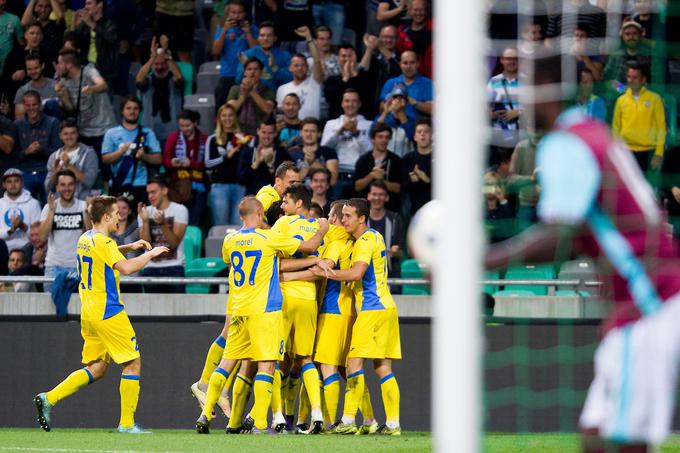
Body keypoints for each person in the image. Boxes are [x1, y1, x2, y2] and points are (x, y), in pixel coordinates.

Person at [485, 51, 680, 453]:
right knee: (594, 433)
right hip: (640, 306)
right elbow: (574, 240)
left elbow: (560, 235)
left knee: (624, 442)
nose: (523, 99)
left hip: (649, 304)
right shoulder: (593, 134)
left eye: (529, 87)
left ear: (549, 90)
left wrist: (475, 261)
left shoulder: (567, 143)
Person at [34, 195, 168, 433]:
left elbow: (105, 253)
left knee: (97, 367)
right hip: (109, 312)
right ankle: (127, 424)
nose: (119, 216)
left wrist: (130, 246)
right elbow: (126, 268)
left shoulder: (85, 238)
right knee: (132, 363)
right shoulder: (104, 243)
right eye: (116, 213)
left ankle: (49, 398)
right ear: (106, 217)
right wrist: (151, 254)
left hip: (89, 312)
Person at [195, 196, 328, 434]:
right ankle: (258, 420)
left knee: (227, 363)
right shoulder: (269, 238)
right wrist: (322, 230)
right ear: (258, 212)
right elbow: (308, 247)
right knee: (267, 367)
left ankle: (205, 416)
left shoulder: (230, 240)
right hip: (264, 311)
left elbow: (230, 260)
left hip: (238, 310)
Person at [310, 198, 402, 435]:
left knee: (353, 364)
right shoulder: (376, 236)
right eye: (343, 215)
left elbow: (356, 272)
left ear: (362, 218)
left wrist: (329, 273)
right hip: (387, 308)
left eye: (348, 216)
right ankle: (392, 424)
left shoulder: (362, 242)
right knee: (382, 368)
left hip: (371, 310)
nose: (343, 220)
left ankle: (348, 420)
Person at [270, 184, 328, 433]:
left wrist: (291, 276)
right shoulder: (317, 229)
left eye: (285, 202)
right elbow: (320, 270)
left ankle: (278, 416)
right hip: (308, 300)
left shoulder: (282, 224)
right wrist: (312, 265)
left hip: (283, 300)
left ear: (299, 204)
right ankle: (316, 414)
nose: (281, 207)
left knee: (273, 360)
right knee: (306, 359)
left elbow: (275, 265)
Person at [54, 49, 116, 160]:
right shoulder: (64, 82)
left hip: (104, 130)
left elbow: (103, 85)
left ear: (69, 65)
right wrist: (62, 96)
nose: (57, 67)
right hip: (84, 133)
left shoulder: (89, 71)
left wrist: (92, 88)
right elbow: (71, 110)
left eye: (59, 63)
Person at [102, 96, 162, 203]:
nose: (132, 111)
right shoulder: (111, 133)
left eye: (135, 108)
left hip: (140, 184)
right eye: (128, 108)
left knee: (141, 219)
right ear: (122, 111)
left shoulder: (148, 133)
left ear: (140, 111)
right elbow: (105, 159)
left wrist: (144, 156)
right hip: (117, 184)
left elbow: (158, 159)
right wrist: (120, 152)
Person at [38, 169, 89, 294]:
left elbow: (92, 235)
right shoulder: (49, 207)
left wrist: (87, 213)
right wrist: (52, 211)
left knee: (78, 311)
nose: (67, 188)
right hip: (53, 266)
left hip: (78, 266)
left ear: (75, 186)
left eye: (70, 184)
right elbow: (42, 237)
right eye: (63, 185)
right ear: (57, 187)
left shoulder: (83, 206)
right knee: (50, 311)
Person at [137, 177, 188, 294]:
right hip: (150, 268)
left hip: (174, 267)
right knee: (152, 311)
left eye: (153, 192)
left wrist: (163, 224)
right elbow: (146, 246)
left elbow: (174, 243)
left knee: (177, 311)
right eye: (148, 193)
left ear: (165, 191)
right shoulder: (144, 212)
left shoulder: (180, 210)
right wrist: (145, 221)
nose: (150, 196)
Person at [612, 63, 665, 173]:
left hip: (648, 152)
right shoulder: (620, 100)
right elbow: (615, 128)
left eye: (635, 77)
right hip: (626, 152)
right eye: (629, 77)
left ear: (643, 79)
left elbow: (661, 127)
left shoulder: (655, 99)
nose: (631, 80)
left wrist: (659, 153)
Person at [322, 89, 373, 199]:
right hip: (337, 175)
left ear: (359, 104)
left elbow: (371, 152)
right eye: (347, 101)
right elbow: (324, 149)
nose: (350, 104)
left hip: (360, 176)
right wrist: (340, 131)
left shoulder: (368, 125)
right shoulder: (331, 124)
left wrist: (356, 133)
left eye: (354, 101)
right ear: (342, 103)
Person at [14, 90, 61, 204]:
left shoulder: (53, 122)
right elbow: (13, 157)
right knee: (27, 207)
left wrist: (41, 150)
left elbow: (58, 153)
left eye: (34, 104)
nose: (31, 108)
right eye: (28, 105)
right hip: (25, 172)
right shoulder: (17, 125)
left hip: (47, 171)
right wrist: (27, 152)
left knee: (49, 208)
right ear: (24, 106)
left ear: (40, 104)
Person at [162, 110, 208, 226]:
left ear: (195, 123)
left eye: (187, 125)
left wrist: (191, 164)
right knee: (178, 223)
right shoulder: (173, 137)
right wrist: (173, 162)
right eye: (181, 126)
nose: (184, 129)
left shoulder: (205, 139)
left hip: (198, 187)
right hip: (179, 188)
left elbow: (207, 164)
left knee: (194, 222)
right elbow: (165, 161)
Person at [136, 36, 184, 145]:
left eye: (163, 63)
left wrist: (167, 56)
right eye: (156, 64)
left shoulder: (173, 80)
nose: (160, 67)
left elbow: (179, 78)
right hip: (150, 132)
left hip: (172, 133)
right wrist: (152, 58)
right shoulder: (148, 80)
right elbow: (139, 80)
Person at [205, 104, 248, 226]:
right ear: (219, 118)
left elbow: (249, 162)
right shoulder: (213, 139)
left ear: (235, 117)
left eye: (230, 115)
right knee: (220, 225)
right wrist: (225, 157)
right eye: (224, 115)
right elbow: (208, 164)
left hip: (240, 187)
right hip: (220, 187)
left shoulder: (244, 139)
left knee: (238, 226)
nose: (227, 118)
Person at [212, 0, 257, 107]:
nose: (237, 16)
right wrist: (224, 31)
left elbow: (257, 52)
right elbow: (215, 52)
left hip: (247, 76)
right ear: (228, 13)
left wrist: (248, 33)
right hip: (228, 75)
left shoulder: (253, 29)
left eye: (240, 12)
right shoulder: (221, 30)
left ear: (245, 13)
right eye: (233, 12)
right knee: (223, 109)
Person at [275, 27, 324, 121]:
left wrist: (309, 38)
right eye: (296, 65)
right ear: (290, 68)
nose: (300, 68)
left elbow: (317, 60)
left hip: (311, 130)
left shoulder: (315, 82)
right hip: (290, 130)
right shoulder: (282, 89)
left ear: (307, 67)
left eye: (303, 65)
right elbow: (280, 115)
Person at [354, 122, 403, 211]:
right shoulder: (363, 160)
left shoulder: (396, 160)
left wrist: (381, 181)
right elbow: (357, 186)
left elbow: (398, 188)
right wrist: (371, 176)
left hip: (390, 209)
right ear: (372, 139)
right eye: (380, 137)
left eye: (387, 137)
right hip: (365, 210)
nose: (384, 140)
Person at [45, 118, 99, 200]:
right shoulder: (54, 156)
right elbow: (47, 187)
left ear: (77, 134)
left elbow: (89, 181)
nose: (69, 137)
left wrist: (68, 165)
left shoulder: (89, 153)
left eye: (72, 133)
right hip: (60, 203)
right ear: (60, 136)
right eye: (66, 134)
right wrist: (56, 172)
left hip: (82, 200)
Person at [72, 0, 119, 92]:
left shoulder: (109, 24)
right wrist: (74, 24)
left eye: (89, 3)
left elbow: (111, 39)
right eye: (85, 4)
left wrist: (91, 24)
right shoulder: (85, 24)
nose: (86, 7)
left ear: (100, 4)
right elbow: (73, 42)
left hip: (103, 72)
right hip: (85, 69)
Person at [237, 119, 292, 196]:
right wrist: (256, 163)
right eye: (263, 132)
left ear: (275, 133)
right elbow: (241, 179)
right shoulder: (247, 152)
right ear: (258, 131)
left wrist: (270, 166)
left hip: (275, 200)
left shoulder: (282, 153)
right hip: (252, 200)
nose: (266, 136)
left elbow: (287, 180)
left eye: (270, 133)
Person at [236, 21, 292, 92]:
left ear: (275, 38)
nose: (265, 38)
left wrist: (276, 69)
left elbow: (292, 79)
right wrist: (244, 67)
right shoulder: (248, 54)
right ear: (258, 38)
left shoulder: (284, 55)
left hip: (275, 97)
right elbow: (238, 80)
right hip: (252, 95)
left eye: (269, 35)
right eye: (262, 35)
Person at [487, 47, 521, 162]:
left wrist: (517, 113)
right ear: (502, 60)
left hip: (521, 136)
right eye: (508, 58)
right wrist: (491, 114)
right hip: (499, 136)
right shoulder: (493, 82)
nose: (512, 62)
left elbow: (536, 107)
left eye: (515, 58)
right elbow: (485, 108)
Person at [227, 57, 275, 136]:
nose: (252, 72)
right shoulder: (235, 89)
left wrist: (251, 91)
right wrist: (243, 95)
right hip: (238, 132)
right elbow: (230, 110)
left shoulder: (268, 91)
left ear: (261, 72)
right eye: (249, 69)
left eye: (256, 69)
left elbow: (268, 109)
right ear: (245, 72)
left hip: (260, 133)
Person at [366, 180, 404, 278]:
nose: (377, 198)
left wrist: (395, 252)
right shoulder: (361, 219)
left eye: (381, 195)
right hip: (365, 275)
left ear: (386, 197)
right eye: (374, 194)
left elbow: (401, 253)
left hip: (390, 275)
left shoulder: (395, 219)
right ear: (368, 196)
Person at [0, 168, 42, 251]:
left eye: (16, 181)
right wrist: (11, 230)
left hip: (27, 249)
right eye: (9, 181)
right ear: (4, 185)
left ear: (22, 183)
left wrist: (22, 226)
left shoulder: (33, 203)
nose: (13, 184)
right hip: (3, 249)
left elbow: (39, 235)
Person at [287, 117, 338, 183]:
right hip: (298, 192)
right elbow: (288, 184)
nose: (309, 134)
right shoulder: (291, 152)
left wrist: (314, 162)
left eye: (313, 131)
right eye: (306, 131)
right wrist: (306, 166)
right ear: (301, 133)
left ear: (319, 134)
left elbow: (332, 181)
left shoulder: (329, 152)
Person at [402, 118, 432, 216]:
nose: (422, 134)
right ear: (415, 136)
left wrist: (427, 179)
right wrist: (411, 181)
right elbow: (401, 186)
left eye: (426, 132)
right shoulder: (408, 158)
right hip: (414, 211)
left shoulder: (440, 159)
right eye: (419, 132)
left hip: (435, 211)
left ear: (432, 135)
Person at [13, 53, 58, 119]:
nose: (33, 72)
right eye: (29, 69)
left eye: (36, 68)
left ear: (42, 66)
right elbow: (19, 119)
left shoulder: (55, 86)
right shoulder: (22, 91)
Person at [374, 85, 414, 155]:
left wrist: (401, 113)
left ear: (406, 102)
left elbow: (412, 136)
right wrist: (385, 112)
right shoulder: (383, 118)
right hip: (385, 161)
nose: (398, 100)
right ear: (390, 101)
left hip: (405, 162)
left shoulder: (412, 121)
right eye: (395, 97)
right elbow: (372, 133)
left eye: (401, 98)